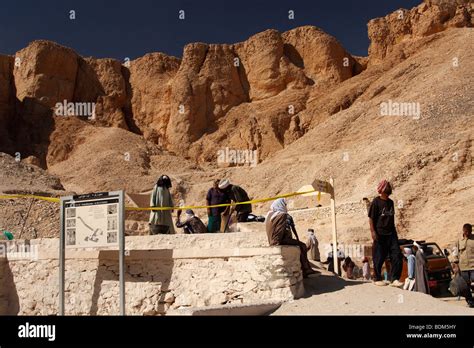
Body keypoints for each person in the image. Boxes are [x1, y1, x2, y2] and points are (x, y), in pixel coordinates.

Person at [265, 198, 316, 278]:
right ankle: (306, 270)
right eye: (285, 205)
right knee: (302, 246)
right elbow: (279, 231)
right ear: (281, 205)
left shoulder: (270, 214)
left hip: (272, 239)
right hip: (278, 240)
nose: (286, 206)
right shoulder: (282, 215)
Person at [368, 179, 403, 287]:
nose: (389, 188)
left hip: (391, 233)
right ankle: (377, 278)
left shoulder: (391, 202)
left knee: (396, 255)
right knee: (379, 256)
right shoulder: (376, 202)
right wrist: (373, 232)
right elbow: (371, 218)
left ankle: (395, 279)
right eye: (387, 187)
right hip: (379, 233)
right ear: (382, 189)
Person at [456, 223, 474, 291]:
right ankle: (469, 300)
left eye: (469, 231)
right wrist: (456, 264)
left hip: (473, 266)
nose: (468, 233)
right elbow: (455, 252)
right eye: (466, 231)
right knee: (465, 285)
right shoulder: (459, 240)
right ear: (463, 230)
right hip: (463, 267)